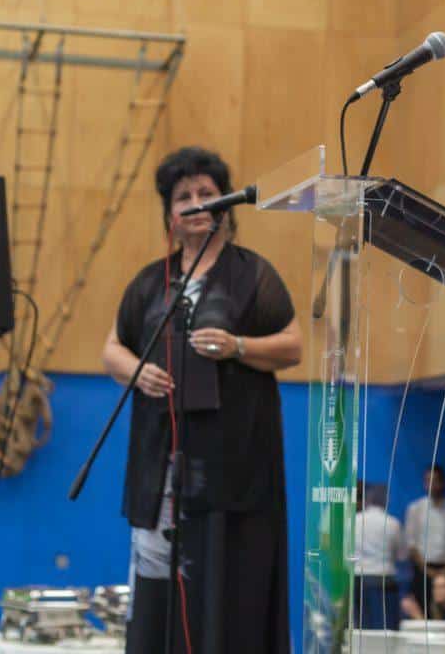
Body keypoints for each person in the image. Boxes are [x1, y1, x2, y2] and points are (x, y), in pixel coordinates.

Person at [101, 146, 302, 654]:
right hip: (162, 464)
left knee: (225, 596)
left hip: (234, 472)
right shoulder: (151, 282)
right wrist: (137, 371)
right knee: (157, 597)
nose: (196, 203)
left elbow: (293, 346)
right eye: (183, 196)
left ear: (226, 203)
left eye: (207, 193)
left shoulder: (252, 274)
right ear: (169, 212)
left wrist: (239, 347)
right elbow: (112, 349)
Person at [403, 465, 445, 618]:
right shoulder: (415, 509)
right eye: (427, 481)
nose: (431, 485)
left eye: (435, 480)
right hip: (422, 568)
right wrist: (426, 570)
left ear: (443, 483)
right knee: (421, 610)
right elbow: (411, 545)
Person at [352, 481, 408, 630]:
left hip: (358, 578)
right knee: (385, 626)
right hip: (384, 579)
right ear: (386, 500)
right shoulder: (393, 523)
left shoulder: (354, 521)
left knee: (361, 625)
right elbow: (402, 555)